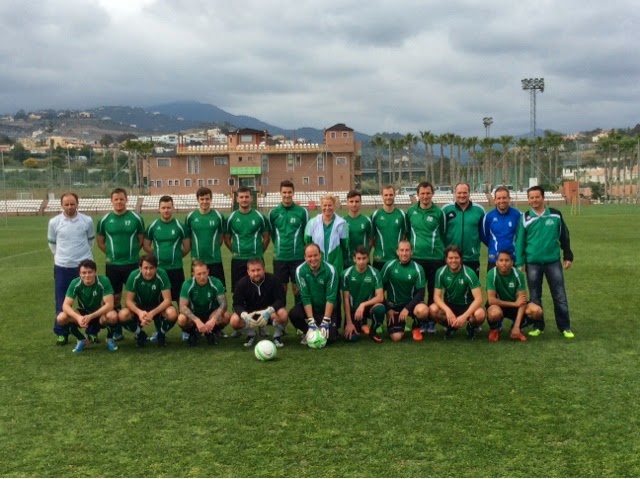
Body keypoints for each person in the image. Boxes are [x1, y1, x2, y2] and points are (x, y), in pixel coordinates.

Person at [515, 186, 575, 339]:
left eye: (537, 197)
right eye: (531, 198)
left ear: (543, 197)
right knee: (535, 296)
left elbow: (564, 236)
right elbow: (520, 241)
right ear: (528, 200)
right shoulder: (525, 218)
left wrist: (567, 255)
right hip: (532, 263)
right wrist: (520, 262)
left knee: (559, 295)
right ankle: (538, 326)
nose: (534, 200)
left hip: (552, 262)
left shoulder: (555, 215)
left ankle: (565, 327)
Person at [96, 187, 145, 341]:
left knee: (135, 298)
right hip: (113, 266)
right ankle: (116, 330)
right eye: (116, 199)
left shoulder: (136, 218)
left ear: (126, 200)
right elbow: (101, 242)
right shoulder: (104, 220)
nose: (119, 202)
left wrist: (131, 254)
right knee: (114, 298)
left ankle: (137, 329)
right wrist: (112, 255)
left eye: (121, 199)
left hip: (132, 264)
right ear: (111, 201)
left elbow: (141, 240)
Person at [47, 192, 96, 346]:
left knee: (91, 301)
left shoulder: (87, 221)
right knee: (62, 301)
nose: (69, 207)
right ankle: (62, 332)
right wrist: (63, 257)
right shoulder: (54, 222)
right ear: (62, 205)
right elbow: (52, 244)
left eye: (72, 204)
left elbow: (90, 241)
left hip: (84, 267)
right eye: (66, 204)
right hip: (63, 267)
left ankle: (92, 332)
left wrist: (81, 259)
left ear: (77, 204)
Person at [405, 181, 446, 334]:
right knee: (418, 291)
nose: (425, 196)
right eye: (422, 193)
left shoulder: (438, 212)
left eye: (428, 193)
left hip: (436, 258)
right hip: (417, 259)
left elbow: (443, 233)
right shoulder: (410, 212)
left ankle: (431, 322)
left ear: (432, 194)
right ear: (418, 195)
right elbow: (407, 233)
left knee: (433, 291)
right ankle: (419, 321)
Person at [304, 194, 349, 329]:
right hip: (317, 266)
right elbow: (307, 242)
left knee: (334, 295)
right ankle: (316, 321)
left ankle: (336, 324)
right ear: (321, 206)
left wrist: (339, 262)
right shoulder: (312, 223)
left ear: (335, 206)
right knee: (318, 293)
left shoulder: (342, 224)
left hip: (335, 265)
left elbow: (345, 245)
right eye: (325, 205)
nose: (327, 208)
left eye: (330, 205)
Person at [56, 259, 119, 353]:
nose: (87, 275)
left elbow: (109, 305)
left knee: (112, 316)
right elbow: (65, 305)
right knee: (61, 318)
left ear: (95, 272)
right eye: (84, 273)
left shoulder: (103, 281)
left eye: (90, 272)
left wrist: (91, 316)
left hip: (100, 313)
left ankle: (110, 338)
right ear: (80, 274)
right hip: (84, 313)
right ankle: (82, 339)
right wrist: (78, 317)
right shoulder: (75, 283)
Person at [118, 254, 178, 347]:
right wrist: (140, 313)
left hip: (159, 307)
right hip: (140, 308)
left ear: (156, 268)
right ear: (140, 267)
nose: (148, 271)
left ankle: (161, 334)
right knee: (122, 315)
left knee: (172, 313)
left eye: (151, 268)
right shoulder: (134, 275)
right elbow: (128, 301)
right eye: (145, 268)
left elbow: (167, 300)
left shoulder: (162, 274)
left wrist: (151, 313)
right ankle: (140, 334)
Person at [229, 258, 289, 348]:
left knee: (283, 314)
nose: (256, 273)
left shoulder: (274, 280)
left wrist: (269, 310)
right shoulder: (241, 284)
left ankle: (277, 335)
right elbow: (237, 304)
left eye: (258, 270)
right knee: (234, 321)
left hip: (269, 314)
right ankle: (251, 334)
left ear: (264, 269)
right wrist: (244, 315)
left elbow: (281, 300)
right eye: (253, 271)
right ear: (248, 272)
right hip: (251, 316)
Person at [429, 246, 486, 340]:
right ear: (446, 259)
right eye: (450, 258)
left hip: (467, 306)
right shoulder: (440, 272)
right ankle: (451, 326)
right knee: (432, 309)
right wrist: (448, 311)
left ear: (461, 259)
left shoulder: (469, 273)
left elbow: (479, 299)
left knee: (480, 314)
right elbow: (436, 297)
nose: (453, 261)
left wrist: (464, 316)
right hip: (450, 305)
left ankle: (470, 327)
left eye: (456, 258)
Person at [486, 251, 543, 342]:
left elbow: (522, 301)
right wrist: (514, 304)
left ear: (512, 263)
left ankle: (517, 327)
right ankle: (494, 329)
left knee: (537, 311)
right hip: (499, 305)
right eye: (501, 260)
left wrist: (516, 326)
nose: (504, 263)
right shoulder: (491, 274)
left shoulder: (518, 274)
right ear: (496, 262)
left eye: (507, 260)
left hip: (515, 306)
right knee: (494, 313)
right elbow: (491, 300)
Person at [289, 243, 339, 344]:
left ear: (320, 255)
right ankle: (308, 332)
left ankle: (322, 326)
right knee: (294, 314)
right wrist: (311, 321)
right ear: (305, 257)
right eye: (309, 256)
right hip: (310, 308)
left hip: (325, 309)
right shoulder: (300, 271)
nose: (313, 259)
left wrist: (325, 321)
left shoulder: (331, 270)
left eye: (315, 255)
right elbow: (305, 296)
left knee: (331, 339)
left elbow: (331, 297)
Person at [380, 241, 429, 342]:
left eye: (407, 250)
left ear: (411, 252)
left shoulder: (418, 268)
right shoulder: (389, 266)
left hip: (411, 304)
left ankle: (416, 327)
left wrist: (407, 308)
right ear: (397, 252)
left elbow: (421, 293)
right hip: (394, 306)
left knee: (423, 311)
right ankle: (399, 325)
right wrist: (388, 308)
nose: (404, 253)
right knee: (396, 337)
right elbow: (380, 291)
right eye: (402, 250)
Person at [143, 195, 189, 302]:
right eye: (163, 208)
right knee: (160, 300)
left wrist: (176, 256)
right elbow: (146, 246)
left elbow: (187, 247)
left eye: (168, 207)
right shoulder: (152, 226)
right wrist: (159, 255)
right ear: (159, 209)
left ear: (173, 208)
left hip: (176, 268)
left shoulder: (180, 226)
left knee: (180, 299)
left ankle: (182, 318)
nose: (166, 210)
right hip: (159, 269)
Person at [224, 186, 270, 291]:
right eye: (241, 197)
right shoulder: (231, 218)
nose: (244, 199)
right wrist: (235, 251)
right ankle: (238, 308)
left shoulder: (260, 217)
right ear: (237, 199)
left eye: (246, 197)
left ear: (251, 198)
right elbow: (227, 239)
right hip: (238, 259)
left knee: (259, 288)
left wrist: (259, 252)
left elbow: (266, 238)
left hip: (256, 258)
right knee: (238, 290)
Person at [269, 180, 308, 297]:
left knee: (298, 290)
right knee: (281, 290)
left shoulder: (302, 212)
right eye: (284, 192)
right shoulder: (273, 213)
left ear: (293, 193)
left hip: (298, 257)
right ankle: (282, 315)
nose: (287, 195)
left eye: (289, 192)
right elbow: (272, 234)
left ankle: (298, 315)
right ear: (280, 193)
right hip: (280, 258)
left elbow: (306, 234)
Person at [177, 260, 231, 347]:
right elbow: (182, 307)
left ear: (208, 272)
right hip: (194, 315)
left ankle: (211, 332)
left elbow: (223, 304)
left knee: (227, 316)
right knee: (181, 319)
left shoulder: (216, 282)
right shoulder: (187, 284)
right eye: (199, 274)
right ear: (193, 274)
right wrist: (197, 320)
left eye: (204, 273)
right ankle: (193, 333)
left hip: (210, 313)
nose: (202, 276)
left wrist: (213, 320)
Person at [184, 187, 227, 288]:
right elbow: (188, 238)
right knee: (196, 291)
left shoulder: (218, 216)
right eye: (202, 199)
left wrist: (213, 250)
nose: (204, 201)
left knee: (218, 289)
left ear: (211, 199)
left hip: (215, 260)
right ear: (198, 200)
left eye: (207, 199)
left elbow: (220, 238)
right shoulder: (190, 217)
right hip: (197, 261)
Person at [342, 246, 386, 343]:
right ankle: (360, 324)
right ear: (354, 259)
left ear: (368, 259)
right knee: (351, 338)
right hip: (354, 310)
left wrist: (363, 305)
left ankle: (373, 331)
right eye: (358, 258)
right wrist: (349, 322)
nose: (361, 262)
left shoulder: (375, 273)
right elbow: (346, 299)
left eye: (364, 258)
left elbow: (380, 297)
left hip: (368, 308)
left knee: (380, 309)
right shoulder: (346, 274)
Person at [442, 182, 485, 278]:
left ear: (469, 193)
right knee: (452, 289)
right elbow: (441, 232)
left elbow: (484, 233)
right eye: (459, 193)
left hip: (471, 257)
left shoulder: (479, 210)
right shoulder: (446, 210)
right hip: (451, 257)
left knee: (472, 289)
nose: (462, 195)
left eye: (465, 192)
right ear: (454, 193)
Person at [481, 187, 521, 270]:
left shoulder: (518, 215)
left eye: (504, 198)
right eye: (499, 198)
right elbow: (484, 236)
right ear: (495, 200)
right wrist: (494, 247)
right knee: (492, 282)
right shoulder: (488, 217)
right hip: (494, 259)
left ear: (509, 199)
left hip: (512, 259)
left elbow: (521, 236)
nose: (501, 201)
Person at [371, 185, 407, 271]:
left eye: (391, 195)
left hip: (397, 259)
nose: (388, 197)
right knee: (380, 284)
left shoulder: (402, 214)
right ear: (382, 196)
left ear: (395, 195)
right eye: (386, 195)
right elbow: (371, 238)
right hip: (380, 259)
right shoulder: (375, 215)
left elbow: (404, 236)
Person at [343, 190, 373, 267]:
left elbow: (371, 240)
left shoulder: (367, 220)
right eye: (351, 201)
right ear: (347, 203)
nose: (354, 204)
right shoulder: (342, 221)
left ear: (360, 203)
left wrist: (365, 253)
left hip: (363, 262)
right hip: (347, 262)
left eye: (357, 201)